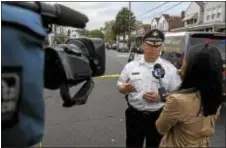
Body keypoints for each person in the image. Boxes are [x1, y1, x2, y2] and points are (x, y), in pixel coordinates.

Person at [117, 29, 182, 148]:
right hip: (134, 116)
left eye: (157, 46)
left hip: (159, 116)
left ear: (161, 46)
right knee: (132, 145)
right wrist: (125, 89)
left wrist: (160, 97)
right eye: (150, 45)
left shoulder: (170, 69)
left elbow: (178, 95)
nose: (153, 49)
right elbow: (120, 88)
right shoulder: (130, 67)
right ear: (143, 45)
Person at [156, 44, 224, 147]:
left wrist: (170, 103)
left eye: (184, 62)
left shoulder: (177, 101)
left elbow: (161, 128)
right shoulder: (216, 96)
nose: (181, 66)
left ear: (191, 69)